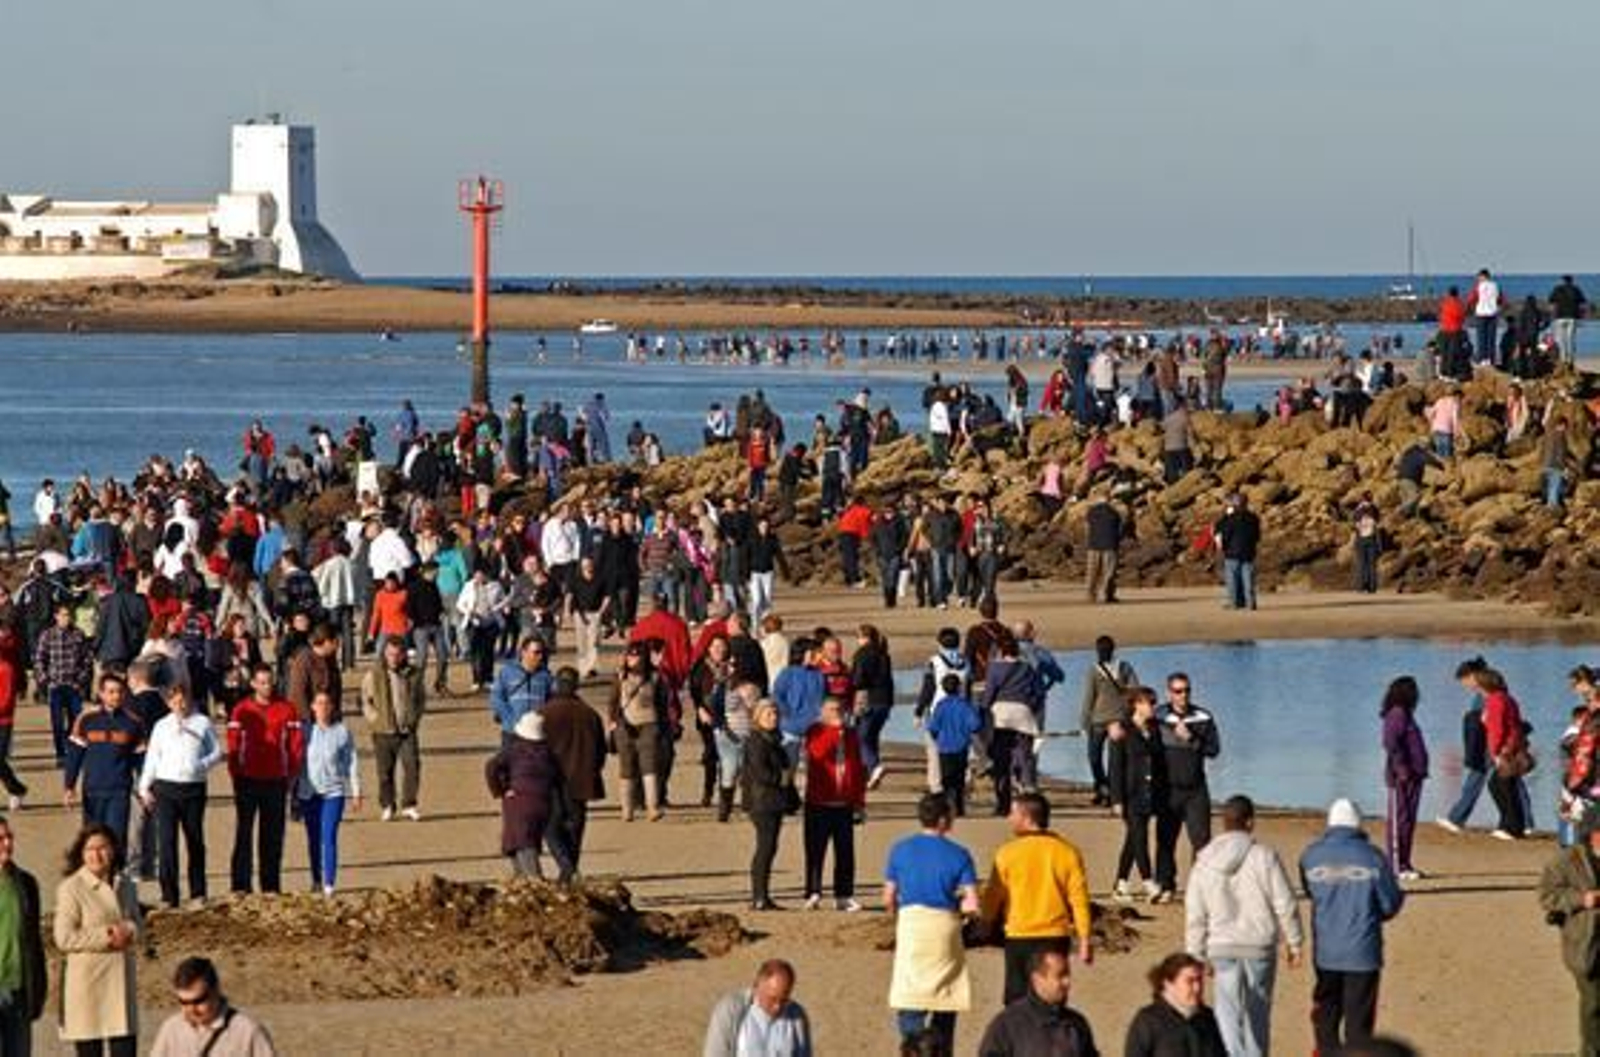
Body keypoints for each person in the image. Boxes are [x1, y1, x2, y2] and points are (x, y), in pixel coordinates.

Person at [1184, 796, 1304, 1057]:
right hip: (1258, 946)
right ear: (1250, 822)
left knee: (1227, 1016)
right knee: (1257, 1015)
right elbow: (1285, 902)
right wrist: (1294, 942)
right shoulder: (1264, 856)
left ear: (1223, 823)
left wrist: (1195, 955)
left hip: (1221, 947)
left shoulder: (1204, 860)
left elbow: (1195, 914)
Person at [1300, 798, 1405, 1053]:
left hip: (1327, 951)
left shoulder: (1311, 856)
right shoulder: (1373, 858)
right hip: (1362, 952)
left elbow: (1310, 891)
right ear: (1358, 824)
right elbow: (1390, 903)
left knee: (1326, 1013)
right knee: (1358, 1022)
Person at [884, 793, 980, 1055]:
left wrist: (898, 917)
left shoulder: (900, 849)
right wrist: (959, 908)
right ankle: (941, 1050)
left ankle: (913, 1048)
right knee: (946, 994)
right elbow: (972, 903)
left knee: (910, 992)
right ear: (942, 820)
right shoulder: (959, 854)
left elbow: (889, 897)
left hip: (912, 924)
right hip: (944, 925)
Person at [980, 792, 1093, 1006]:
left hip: (1019, 935)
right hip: (1054, 937)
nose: (1009, 819)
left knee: (1016, 1002)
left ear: (1027, 818)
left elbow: (994, 894)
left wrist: (986, 922)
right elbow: (1078, 899)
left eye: (1013, 813)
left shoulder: (1007, 852)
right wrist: (1085, 938)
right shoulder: (1067, 852)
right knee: (1052, 999)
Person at [54, 825, 141, 1057]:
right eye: (90, 849)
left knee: (125, 1050)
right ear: (81, 854)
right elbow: (63, 937)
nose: (96, 854)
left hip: (120, 986)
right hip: (87, 987)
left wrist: (130, 930)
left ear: (113, 851)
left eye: (102, 847)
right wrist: (108, 936)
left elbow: (137, 923)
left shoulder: (127, 885)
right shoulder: (71, 888)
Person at [138, 685, 222, 907]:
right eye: (175, 701)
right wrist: (144, 787)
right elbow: (153, 758)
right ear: (168, 703)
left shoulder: (202, 722)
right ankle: (169, 895)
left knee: (194, 841)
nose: (179, 705)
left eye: (183, 700)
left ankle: (198, 893)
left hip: (193, 789)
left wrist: (201, 765)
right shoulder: (161, 726)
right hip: (165, 789)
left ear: (189, 700)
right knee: (167, 843)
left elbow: (216, 751)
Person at [226, 664, 305, 894]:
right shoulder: (241, 710)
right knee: (244, 834)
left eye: (269, 682)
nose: (266, 686)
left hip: (275, 780)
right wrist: (236, 774)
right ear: (253, 684)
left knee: (272, 837)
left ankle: (271, 886)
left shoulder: (287, 709)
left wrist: (290, 774)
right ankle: (240, 885)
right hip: (247, 780)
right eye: (261, 682)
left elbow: (296, 746)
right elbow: (232, 745)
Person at [1538, 809, 1600, 1057]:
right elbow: (1547, 896)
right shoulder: (1566, 861)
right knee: (1594, 1003)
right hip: (1584, 943)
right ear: (1594, 834)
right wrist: (1582, 899)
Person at [1154, 673, 1219, 900]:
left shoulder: (1203, 717)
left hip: (1195, 789)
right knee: (1165, 840)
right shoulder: (1158, 716)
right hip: (1168, 789)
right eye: (1178, 691)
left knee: (1201, 841)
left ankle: (1200, 888)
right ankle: (1165, 885)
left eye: (1186, 690)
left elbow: (1214, 750)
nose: (1183, 696)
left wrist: (1191, 738)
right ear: (1169, 693)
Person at [63, 672, 145, 849]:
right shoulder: (86, 719)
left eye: (119, 691)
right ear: (101, 694)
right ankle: (94, 876)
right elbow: (74, 755)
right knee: (93, 839)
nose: (116, 696)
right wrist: (69, 786)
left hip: (120, 790)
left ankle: (115, 874)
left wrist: (145, 789)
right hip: (92, 790)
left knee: (116, 838)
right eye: (111, 691)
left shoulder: (134, 723)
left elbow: (141, 760)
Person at [540, 667, 606, 881]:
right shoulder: (590, 714)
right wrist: (592, 770)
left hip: (553, 780)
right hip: (581, 779)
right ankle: (569, 871)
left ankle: (567, 868)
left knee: (551, 826)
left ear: (556, 684)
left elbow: (535, 750)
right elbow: (600, 751)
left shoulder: (544, 713)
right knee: (575, 828)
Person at [801, 697, 866, 912]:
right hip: (818, 801)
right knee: (815, 851)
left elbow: (857, 768)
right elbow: (818, 753)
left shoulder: (851, 734)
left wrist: (859, 801)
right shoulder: (815, 730)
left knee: (845, 852)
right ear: (822, 711)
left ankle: (844, 895)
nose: (836, 712)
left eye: (839, 709)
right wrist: (834, 731)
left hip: (844, 802)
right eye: (831, 709)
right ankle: (813, 892)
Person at [975, 945, 1099, 1057]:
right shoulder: (1007, 1025)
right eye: (1060, 975)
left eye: (1067, 975)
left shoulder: (1077, 1024)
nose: (1067, 982)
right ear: (1037, 979)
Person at [295, 691, 361, 894]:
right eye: (319, 703)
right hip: (309, 792)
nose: (323, 707)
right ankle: (316, 878)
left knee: (329, 836)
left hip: (334, 792)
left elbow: (352, 762)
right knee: (313, 838)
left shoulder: (342, 732)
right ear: (313, 707)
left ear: (331, 707)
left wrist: (356, 791)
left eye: (326, 703)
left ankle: (329, 883)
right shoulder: (305, 732)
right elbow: (295, 759)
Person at [150, 957, 278, 1057]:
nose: (191, 1010)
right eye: (183, 1002)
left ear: (216, 991)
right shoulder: (171, 1029)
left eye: (198, 1001)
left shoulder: (248, 1031)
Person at [1110, 687, 1169, 903]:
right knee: (1140, 836)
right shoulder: (1122, 730)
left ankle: (1120, 884)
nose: (1152, 707)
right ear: (1136, 704)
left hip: (1149, 793)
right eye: (1147, 703)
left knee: (1133, 839)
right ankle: (1148, 882)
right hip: (1129, 793)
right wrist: (1116, 799)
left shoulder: (1154, 728)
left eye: (1153, 703)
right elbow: (1115, 767)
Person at [360, 637, 427, 822]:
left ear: (404, 655)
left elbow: (421, 698)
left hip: (407, 731)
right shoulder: (374, 674)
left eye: (397, 655)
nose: (394, 658)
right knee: (384, 772)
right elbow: (366, 701)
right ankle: (388, 805)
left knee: (412, 766)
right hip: (383, 731)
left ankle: (409, 804)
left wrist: (415, 718)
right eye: (390, 654)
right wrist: (374, 719)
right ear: (384, 654)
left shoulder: (413, 674)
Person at [485, 710, 558, 878]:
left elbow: (491, 767)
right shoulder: (548, 752)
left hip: (518, 802)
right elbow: (557, 777)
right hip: (543, 803)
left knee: (522, 843)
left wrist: (500, 790)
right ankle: (523, 879)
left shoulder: (515, 750)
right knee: (526, 840)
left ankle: (533, 880)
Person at [0, 817, 46, 1057]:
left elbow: (33, 941)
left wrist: (38, 989)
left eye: (10, 837)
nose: (7, 844)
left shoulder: (26, 884)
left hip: (18, 989)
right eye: (1, 839)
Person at [702, 958, 813, 1057]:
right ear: (758, 985)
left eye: (784, 1000)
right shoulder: (730, 1010)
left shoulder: (797, 1016)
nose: (777, 1007)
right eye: (772, 999)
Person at [609, 642, 669, 822]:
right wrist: (612, 721)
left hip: (649, 724)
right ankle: (627, 809)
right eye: (630, 656)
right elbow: (613, 701)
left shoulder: (655, 677)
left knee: (649, 766)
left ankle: (652, 807)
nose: (632, 659)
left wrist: (663, 725)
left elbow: (662, 703)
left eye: (636, 656)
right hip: (624, 725)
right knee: (626, 767)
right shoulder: (620, 677)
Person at [1123, 953, 1227, 1057]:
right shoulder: (1147, 1021)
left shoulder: (1209, 1018)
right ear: (1168, 984)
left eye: (1199, 980)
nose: (1197, 988)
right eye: (1190, 981)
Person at [743, 700, 793, 911]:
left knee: (770, 847)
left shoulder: (774, 738)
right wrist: (783, 778)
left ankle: (763, 895)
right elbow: (761, 772)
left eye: (775, 713)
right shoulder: (756, 740)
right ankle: (759, 897)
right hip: (761, 802)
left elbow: (784, 770)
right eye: (768, 714)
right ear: (757, 717)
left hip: (773, 801)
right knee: (765, 848)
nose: (773, 717)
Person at [1380, 676, 1429, 880]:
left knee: (1408, 820)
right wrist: (1401, 767)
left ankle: (1405, 862)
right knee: (1399, 820)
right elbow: (1390, 742)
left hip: (1414, 774)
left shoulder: (1407, 715)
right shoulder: (1397, 714)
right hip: (1402, 776)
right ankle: (1395, 864)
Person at [1080, 635, 1136, 807]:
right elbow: (1135, 691)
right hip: (1118, 719)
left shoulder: (1094, 670)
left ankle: (1103, 788)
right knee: (1114, 760)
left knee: (1095, 758)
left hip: (1099, 720)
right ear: (1113, 650)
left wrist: (1084, 723)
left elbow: (1088, 698)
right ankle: (1110, 790)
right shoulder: (1125, 668)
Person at [1438, 657, 1490, 833]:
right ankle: (1526, 823)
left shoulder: (1487, 693)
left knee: (1476, 781)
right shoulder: (1482, 693)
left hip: (1490, 746)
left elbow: (1486, 723)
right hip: (1487, 746)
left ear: (1473, 676)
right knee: (1509, 782)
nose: (1465, 686)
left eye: (1465, 681)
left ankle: (1456, 819)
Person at [1481, 667, 1532, 839]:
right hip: (1513, 746)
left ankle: (1511, 827)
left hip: (1505, 749)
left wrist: (1495, 751)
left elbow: (1497, 728)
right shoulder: (1508, 699)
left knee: (1500, 786)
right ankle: (1511, 825)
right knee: (1504, 785)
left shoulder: (1495, 701)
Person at [925, 673, 982, 817]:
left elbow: (932, 727)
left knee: (946, 779)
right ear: (959, 688)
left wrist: (937, 738)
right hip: (961, 747)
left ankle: (947, 808)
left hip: (944, 747)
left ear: (943, 688)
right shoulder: (964, 705)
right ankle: (959, 808)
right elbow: (975, 724)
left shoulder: (941, 706)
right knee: (959, 780)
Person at [490, 636, 552, 747]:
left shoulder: (546, 676)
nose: (540, 657)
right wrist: (511, 722)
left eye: (542, 653)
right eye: (536, 652)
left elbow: (552, 702)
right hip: (512, 733)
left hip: (536, 733)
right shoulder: (506, 673)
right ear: (523, 652)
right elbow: (497, 699)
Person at [1213, 493, 1261, 611]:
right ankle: (1250, 603)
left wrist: (1222, 547)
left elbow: (1221, 530)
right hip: (1248, 551)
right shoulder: (1253, 517)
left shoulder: (1230, 518)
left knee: (1232, 580)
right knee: (1248, 579)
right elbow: (1257, 536)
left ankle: (1234, 603)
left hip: (1232, 552)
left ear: (1234, 504)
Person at [1083, 491, 1123, 604]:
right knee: (1109, 572)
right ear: (1108, 500)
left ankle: (1090, 595)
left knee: (1092, 572)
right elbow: (1119, 530)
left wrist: (1089, 541)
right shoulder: (1114, 512)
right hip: (1110, 544)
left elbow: (1087, 528)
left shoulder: (1091, 511)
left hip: (1094, 544)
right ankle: (1107, 594)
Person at [1550, 274, 1589, 366]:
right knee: (1570, 339)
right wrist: (1582, 314)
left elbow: (1551, 301)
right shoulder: (1576, 289)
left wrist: (1552, 314)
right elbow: (1583, 302)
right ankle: (1570, 359)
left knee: (1561, 340)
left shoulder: (1557, 289)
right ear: (1572, 280)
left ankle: (1563, 359)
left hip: (1560, 317)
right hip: (1572, 317)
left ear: (1563, 280)